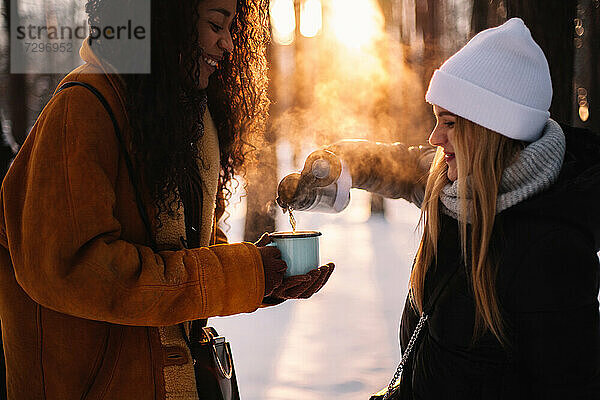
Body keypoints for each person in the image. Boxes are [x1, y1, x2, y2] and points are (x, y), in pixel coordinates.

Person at [0, 1, 334, 399]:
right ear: (167, 18)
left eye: (233, 28)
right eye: (216, 24)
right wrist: (240, 273)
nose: (229, 45)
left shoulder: (182, 113)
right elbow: (75, 269)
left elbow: (187, 251)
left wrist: (264, 277)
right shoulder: (81, 108)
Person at [288, 18, 600, 398]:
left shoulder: (549, 249)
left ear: (491, 130)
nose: (435, 139)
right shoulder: (455, 189)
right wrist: (340, 161)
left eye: (449, 123)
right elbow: (399, 167)